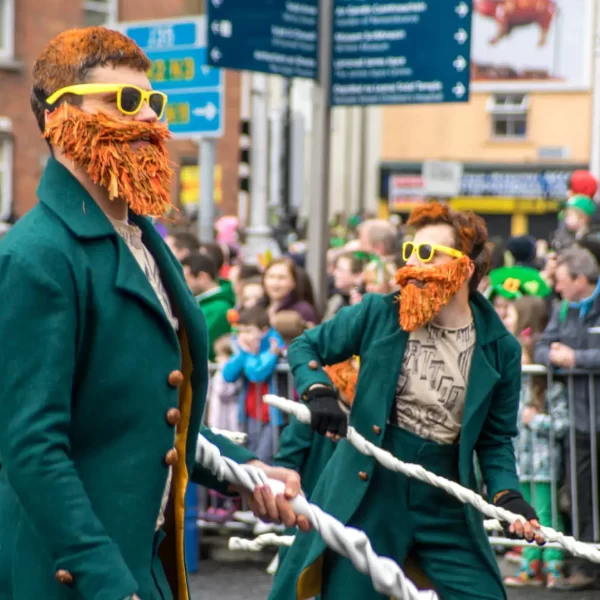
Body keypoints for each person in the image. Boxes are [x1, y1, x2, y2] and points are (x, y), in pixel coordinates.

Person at [0, 27, 306, 600]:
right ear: (59, 121)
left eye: (152, 102)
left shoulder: (142, 237)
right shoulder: (34, 255)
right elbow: (32, 448)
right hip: (71, 578)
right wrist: (108, 583)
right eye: (124, 102)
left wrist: (245, 468)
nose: (148, 120)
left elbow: (151, 410)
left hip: (145, 566)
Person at [270, 202, 544, 600]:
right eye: (410, 252)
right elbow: (306, 345)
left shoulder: (501, 348)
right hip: (369, 487)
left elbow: (496, 439)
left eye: (428, 255)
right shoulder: (381, 313)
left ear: (464, 269)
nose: (413, 266)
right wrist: (318, 391)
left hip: (445, 495)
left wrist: (507, 495)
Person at [534, 247, 600, 591]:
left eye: (560, 281)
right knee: (580, 495)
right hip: (580, 422)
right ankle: (587, 567)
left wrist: (578, 358)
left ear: (580, 279)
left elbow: (576, 356)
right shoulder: (562, 309)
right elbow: (542, 348)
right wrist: (557, 358)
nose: (555, 288)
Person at [503, 297, 568, 589]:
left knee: (545, 513)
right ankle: (531, 564)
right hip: (521, 461)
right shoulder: (513, 379)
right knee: (524, 513)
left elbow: (562, 423)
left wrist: (535, 420)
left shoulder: (545, 381)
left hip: (542, 461)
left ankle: (553, 564)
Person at [223, 305, 286, 464]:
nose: (243, 336)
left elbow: (256, 373)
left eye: (249, 331)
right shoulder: (246, 350)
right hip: (251, 415)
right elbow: (228, 374)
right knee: (250, 457)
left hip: (273, 417)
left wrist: (248, 354)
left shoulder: (273, 343)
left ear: (264, 331)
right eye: (241, 331)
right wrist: (244, 353)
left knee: (262, 459)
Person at [181, 251, 236, 361]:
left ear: (203, 277)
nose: (182, 284)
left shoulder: (220, 307)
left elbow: (199, 342)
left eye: (185, 279)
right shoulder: (198, 302)